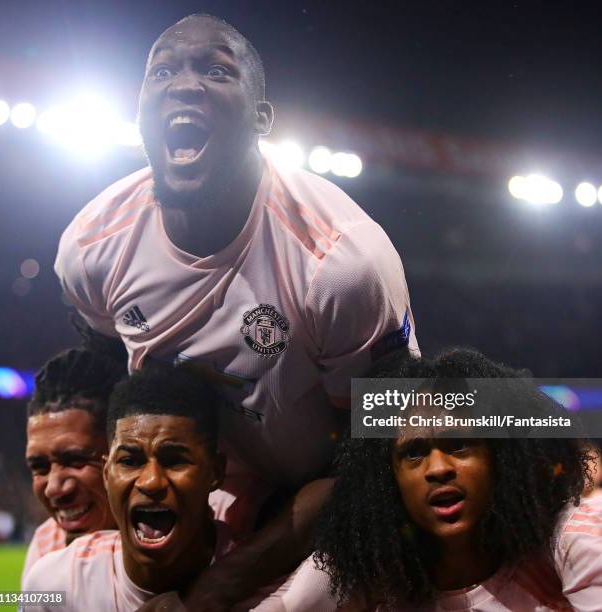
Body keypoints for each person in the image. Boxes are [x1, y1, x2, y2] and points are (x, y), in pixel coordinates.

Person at [54, 12, 418, 606]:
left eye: (217, 71)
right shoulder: (92, 249)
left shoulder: (339, 264)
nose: (185, 84)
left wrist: (229, 581)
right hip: (197, 498)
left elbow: (382, 452)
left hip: (328, 504)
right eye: (164, 70)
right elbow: (110, 389)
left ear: (262, 118)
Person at [314, 349, 602, 610]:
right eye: (413, 453)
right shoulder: (372, 591)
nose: (438, 468)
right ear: (388, 479)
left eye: (458, 444)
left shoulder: (571, 540)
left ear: (500, 457)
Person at [23, 364, 228, 610]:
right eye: (130, 461)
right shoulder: (48, 556)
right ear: (108, 467)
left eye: (75, 460)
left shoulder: (238, 529)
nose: (55, 489)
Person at [22, 346, 127, 579]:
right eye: (39, 467)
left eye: (75, 460)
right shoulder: (45, 544)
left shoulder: (195, 533)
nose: (54, 488)